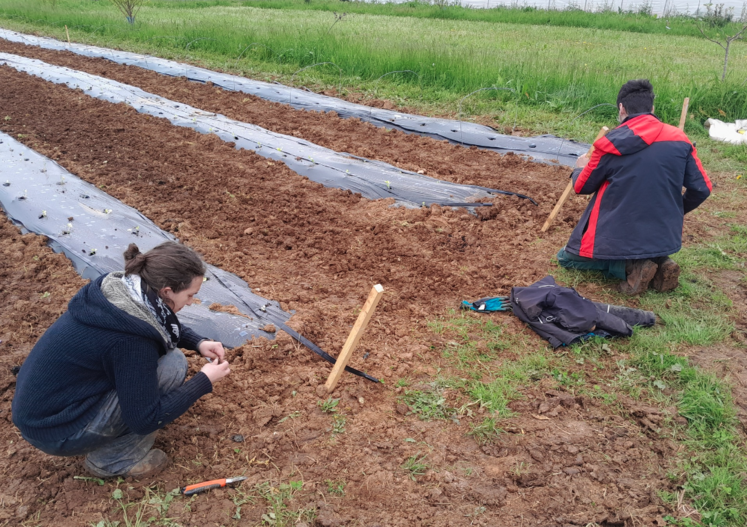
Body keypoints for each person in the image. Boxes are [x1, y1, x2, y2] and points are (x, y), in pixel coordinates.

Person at [12, 242, 231, 478]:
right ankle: (114, 460)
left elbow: (155, 322)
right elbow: (145, 420)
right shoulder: (131, 343)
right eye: (190, 295)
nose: (190, 302)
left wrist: (197, 342)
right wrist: (203, 381)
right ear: (167, 291)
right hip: (57, 431)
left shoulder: (119, 289)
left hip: (41, 410)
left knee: (169, 361)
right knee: (173, 367)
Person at [557, 79, 712, 295]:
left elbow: (582, 186)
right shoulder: (680, 139)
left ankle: (630, 267)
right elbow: (702, 188)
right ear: (652, 109)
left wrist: (579, 168)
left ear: (621, 108)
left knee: (565, 257)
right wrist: (677, 210)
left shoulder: (610, 144)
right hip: (662, 235)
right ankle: (660, 263)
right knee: (647, 246)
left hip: (617, 234)